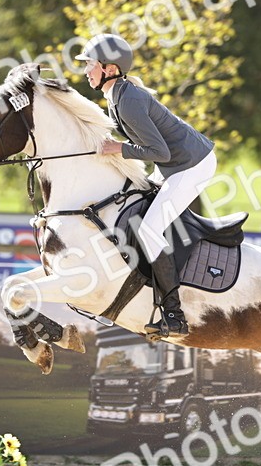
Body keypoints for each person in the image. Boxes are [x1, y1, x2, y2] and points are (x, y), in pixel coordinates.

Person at [76, 33, 217, 340]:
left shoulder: (128, 101)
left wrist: (118, 148)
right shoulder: (116, 96)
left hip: (191, 165)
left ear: (109, 68)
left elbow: (159, 152)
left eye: (90, 64)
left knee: (149, 231)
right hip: (174, 164)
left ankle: (174, 315)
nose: (86, 70)